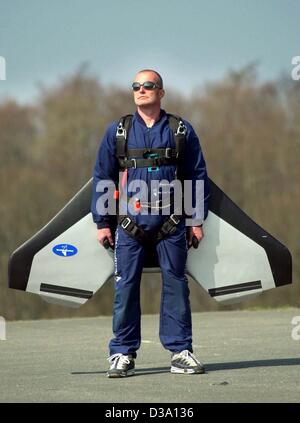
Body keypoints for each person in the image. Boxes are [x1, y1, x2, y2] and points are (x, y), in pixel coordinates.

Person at [91, 69, 210, 377]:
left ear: (161, 92)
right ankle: (122, 354)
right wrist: (102, 222)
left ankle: (180, 351)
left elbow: (196, 174)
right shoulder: (118, 131)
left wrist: (196, 219)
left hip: (172, 225)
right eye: (136, 86)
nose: (141, 90)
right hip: (130, 226)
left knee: (176, 286)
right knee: (126, 288)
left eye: (148, 85)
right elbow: (103, 176)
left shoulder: (180, 130)